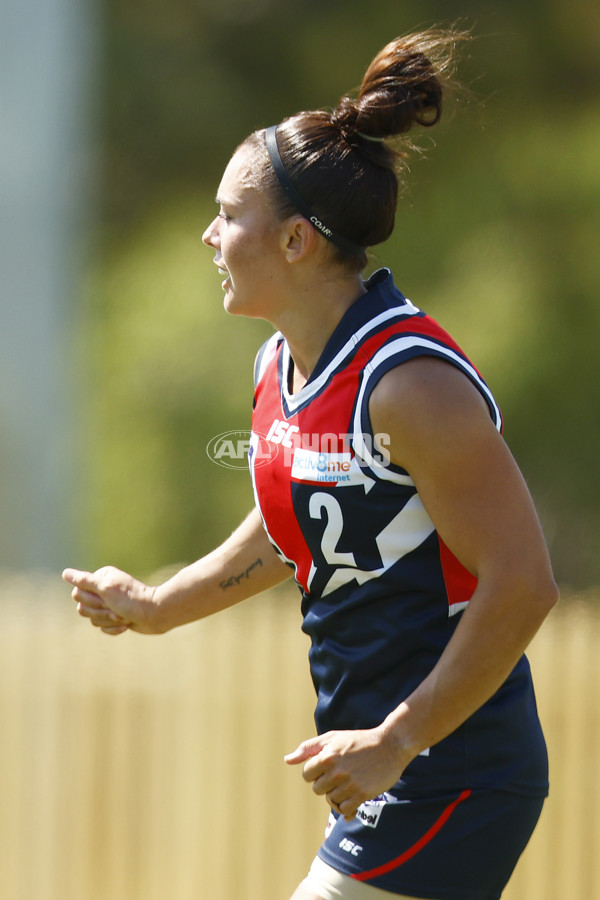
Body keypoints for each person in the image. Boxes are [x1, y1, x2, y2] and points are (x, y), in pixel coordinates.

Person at [63, 29, 558, 900]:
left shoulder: (408, 384)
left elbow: (523, 582)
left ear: (295, 242)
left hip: (456, 772)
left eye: (228, 214)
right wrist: (158, 606)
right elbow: (297, 525)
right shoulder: (279, 369)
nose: (209, 235)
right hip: (389, 767)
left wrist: (400, 738)